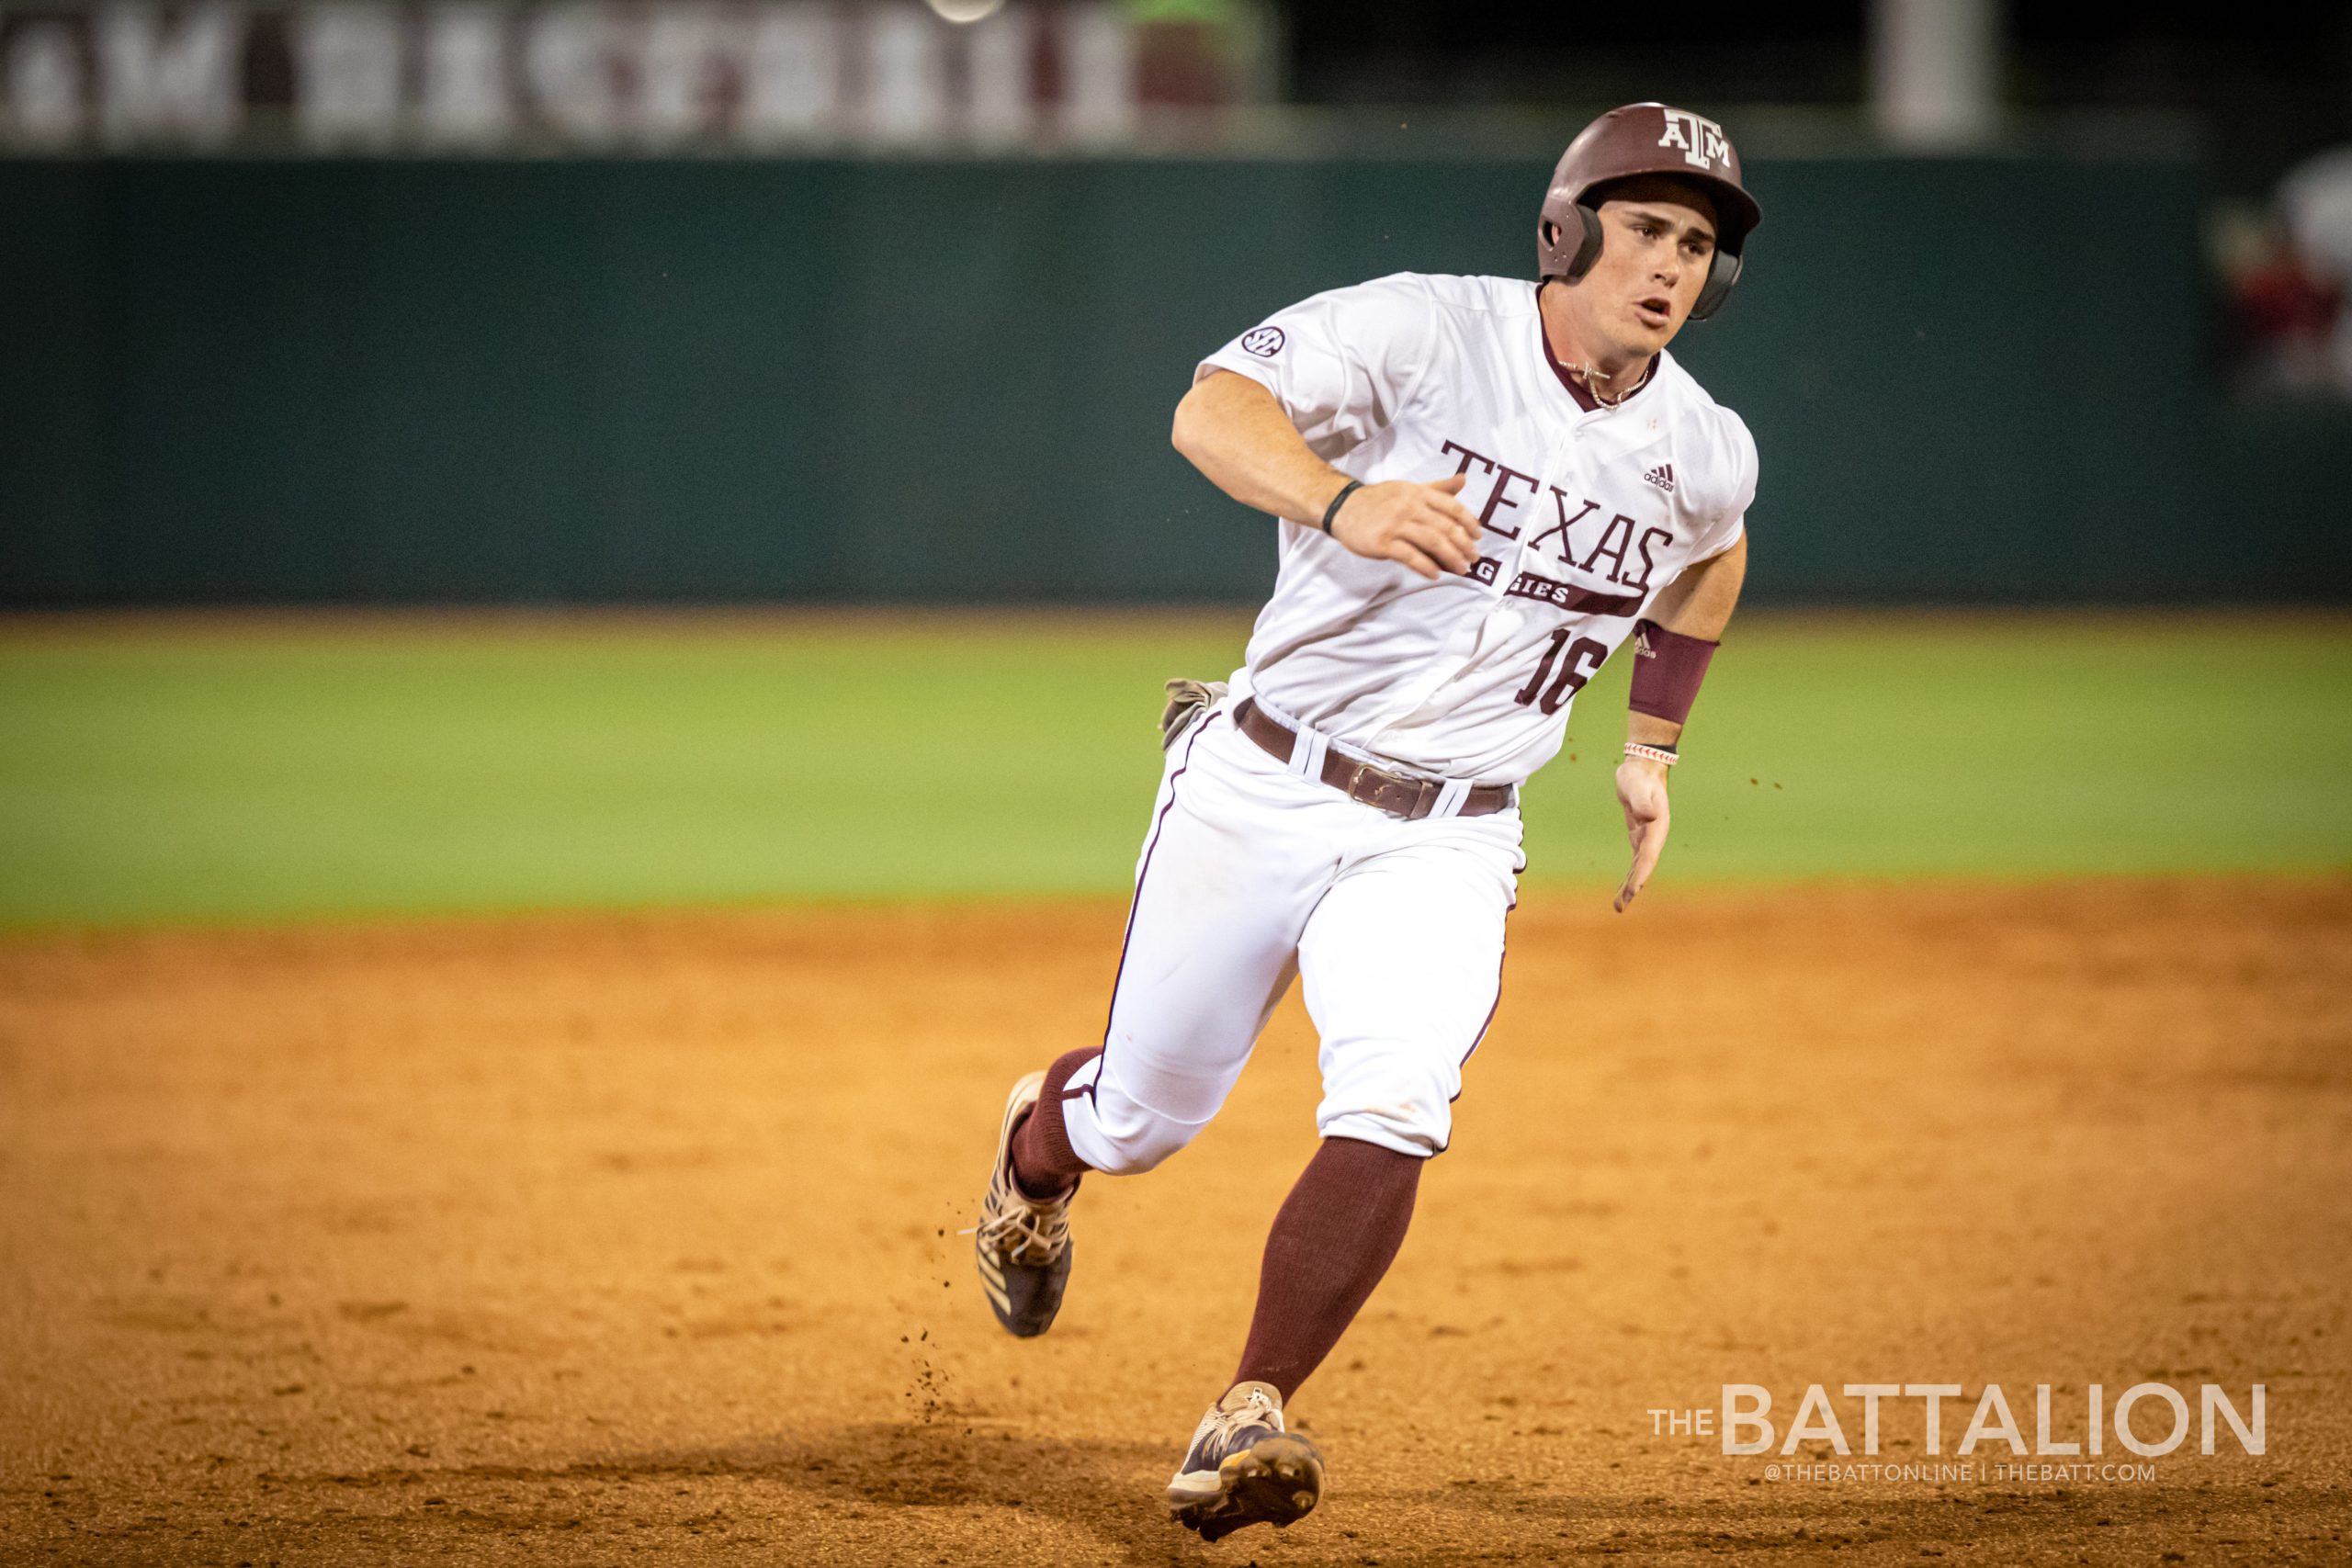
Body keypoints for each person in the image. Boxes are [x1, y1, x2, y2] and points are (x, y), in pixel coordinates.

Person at [971, 101, 1763, 1541]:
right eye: (1645, 227)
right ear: (1569, 229)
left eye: (1699, 244)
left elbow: (1712, 556)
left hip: (1452, 834)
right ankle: (1037, 1152)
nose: (1670, 265)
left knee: (1396, 1096)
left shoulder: (1703, 446)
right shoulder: (1418, 330)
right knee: (1144, 1120)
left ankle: (1251, 1408)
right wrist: (1342, 501)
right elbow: (1211, 409)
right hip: (1263, 777)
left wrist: (1653, 742)